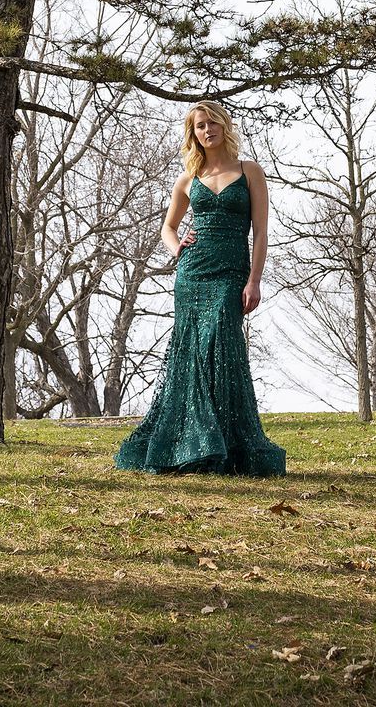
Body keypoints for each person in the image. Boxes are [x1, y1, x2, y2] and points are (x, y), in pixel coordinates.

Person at [115, 101, 286, 476]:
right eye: (199, 126)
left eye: (212, 123)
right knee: (191, 351)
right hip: (193, 274)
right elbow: (168, 227)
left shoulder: (250, 171)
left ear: (224, 125)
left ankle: (225, 442)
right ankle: (192, 443)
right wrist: (178, 248)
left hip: (231, 273)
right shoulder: (188, 180)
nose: (207, 130)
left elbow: (261, 232)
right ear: (193, 135)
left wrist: (254, 280)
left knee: (221, 345)